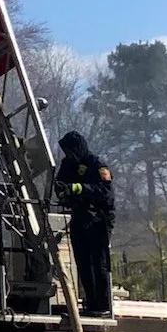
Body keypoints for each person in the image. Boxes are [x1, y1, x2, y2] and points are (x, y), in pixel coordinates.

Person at [55, 130, 115, 317]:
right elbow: (60, 183)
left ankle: (102, 305)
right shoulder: (68, 165)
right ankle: (90, 303)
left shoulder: (96, 165)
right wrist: (63, 192)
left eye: (71, 151)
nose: (69, 155)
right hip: (80, 216)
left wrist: (80, 188)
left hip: (99, 219)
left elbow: (106, 193)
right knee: (82, 262)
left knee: (99, 262)